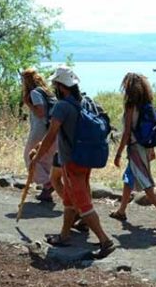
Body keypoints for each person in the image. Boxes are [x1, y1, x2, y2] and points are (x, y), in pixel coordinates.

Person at [30, 65, 116, 259]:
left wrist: (37, 156)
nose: (53, 87)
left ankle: (105, 241)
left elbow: (51, 135)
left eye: (55, 84)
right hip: (84, 159)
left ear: (61, 86)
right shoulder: (82, 101)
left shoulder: (62, 107)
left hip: (73, 161)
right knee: (69, 199)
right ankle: (64, 235)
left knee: (83, 203)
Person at [110, 72, 156, 231]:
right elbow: (148, 129)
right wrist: (152, 150)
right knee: (128, 179)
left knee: (146, 184)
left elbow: (126, 133)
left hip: (135, 149)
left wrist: (118, 154)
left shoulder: (131, 105)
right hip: (143, 148)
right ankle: (121, 211)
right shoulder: (147, 104)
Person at [21, 68, 57, 202]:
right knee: (45, 158)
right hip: (49, 129)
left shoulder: (34, 93)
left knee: (29, 156)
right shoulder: (47, 92)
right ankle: (47, 190)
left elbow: (40, 112)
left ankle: (47, 183)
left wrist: (28, 104)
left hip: (39, 129)